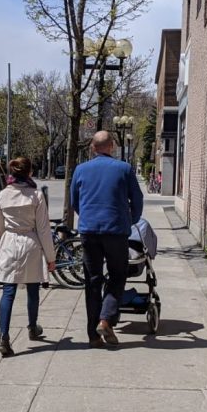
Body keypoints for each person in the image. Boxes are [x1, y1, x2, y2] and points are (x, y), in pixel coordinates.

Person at [70, 131, 144, 347]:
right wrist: (131, 220)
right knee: (117, 275)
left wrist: (86, 217)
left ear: (93, 148)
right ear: (112, 146)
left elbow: (75, 200)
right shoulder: (124, 169)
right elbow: (137, 200)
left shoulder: (81, 170)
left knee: (92, 281)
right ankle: (105, 319)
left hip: (89, 231)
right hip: (116, 231)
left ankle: (93, 336)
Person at [0, 156, 57, 356]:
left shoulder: (2, 195)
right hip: (31, 242)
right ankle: (32, 326)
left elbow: (0, 226)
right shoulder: (36, 195)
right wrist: (50, 257)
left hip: (10, 241)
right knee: (33, 288)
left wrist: (7, 237)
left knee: (8, 291)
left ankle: (4, 335)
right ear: (29, 173)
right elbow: (44, 229)